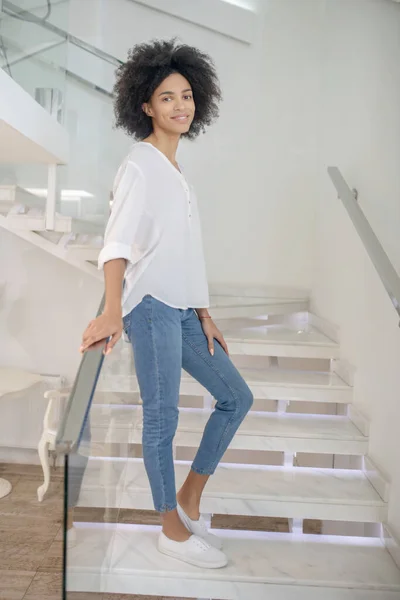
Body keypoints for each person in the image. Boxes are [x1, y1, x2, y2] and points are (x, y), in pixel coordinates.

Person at [80, 39, 254, 569]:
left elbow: (186, 252)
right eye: (166, 97)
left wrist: (204, 312)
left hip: (181, 310)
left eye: (186, 96)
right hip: (150, 307)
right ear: (146, 106)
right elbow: (117, 242)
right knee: (162, 416)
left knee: (236, 397)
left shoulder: (176, 174)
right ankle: (170, 529)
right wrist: (113, 310)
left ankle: (190, 497)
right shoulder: (140, 164)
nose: (180, 105)